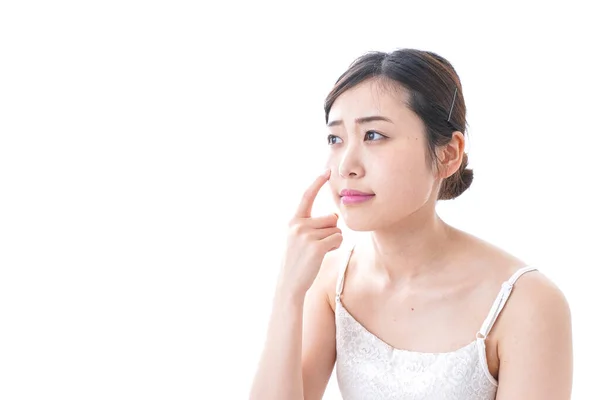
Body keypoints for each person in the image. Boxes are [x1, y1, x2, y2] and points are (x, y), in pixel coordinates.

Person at [249, 48, 572, 400]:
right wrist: (287, 294)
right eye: (335, 138)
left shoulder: (526, 303)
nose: (346, 166)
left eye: (373, 135)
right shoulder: (330, 283)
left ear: (448, 154)